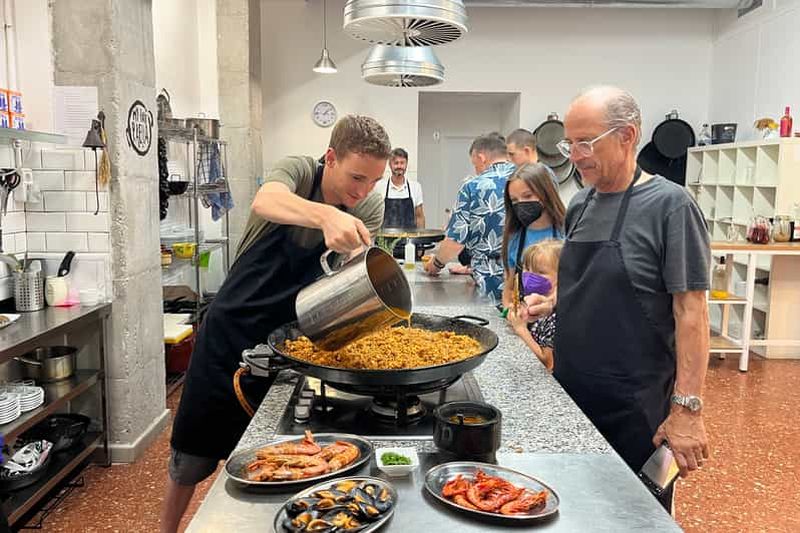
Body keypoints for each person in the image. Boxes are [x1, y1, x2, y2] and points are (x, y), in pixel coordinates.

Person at [160, 115, 391, 533]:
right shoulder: (300, 172)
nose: (363, 191)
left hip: (293, 340)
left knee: (281, 457)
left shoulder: (367, 206)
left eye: (374, 182)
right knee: (191, 456)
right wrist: (324, 216)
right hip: (231, 332)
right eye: (357, 177)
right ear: (331, 157)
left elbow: (347, 281)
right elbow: (265, 200)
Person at [525, 86, 711, 511]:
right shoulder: (580, 204)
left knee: (641, 510)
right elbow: (594, 281)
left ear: (627, 136)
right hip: (572, 391)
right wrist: (555, 302)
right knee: (574, 507)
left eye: (584, 142)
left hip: (639, 407)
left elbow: (692, 313)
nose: (574, 154)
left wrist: (687, 411)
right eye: (567, 143)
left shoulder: (672, 206)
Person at [423, 133, 515, 301]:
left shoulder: (474, 186)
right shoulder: (528, 178)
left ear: (481, 157)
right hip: (526, 278)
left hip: (491, 282)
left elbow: (455, 242)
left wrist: (435, 265)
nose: (476, 170)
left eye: (475, 164)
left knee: (497, 325)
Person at [500, 162, 565, 310]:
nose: (521, 204)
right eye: (514, 200)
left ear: (546, 193)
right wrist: (510, 309)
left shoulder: (569, 233)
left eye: (528, 196)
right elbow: (509, 288)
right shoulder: (514, 238)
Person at [507, 240, 562, 371]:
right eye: (527, 268)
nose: (530, 276)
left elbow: (549, 364)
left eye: (540, 272)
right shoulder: (529, 300)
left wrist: (521, 328)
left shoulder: (555, 316)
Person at [373, 147, 425, 229]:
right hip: (385, 240)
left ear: (406, 164)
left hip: (410, 240)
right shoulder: (379, 186)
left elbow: (419, 216)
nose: (399, 166)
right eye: (396, 163)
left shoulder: (415, 187)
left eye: (402, 163)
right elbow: (374, 215)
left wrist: (421, 239)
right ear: (390, 165)